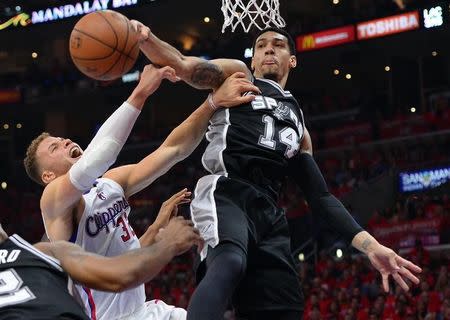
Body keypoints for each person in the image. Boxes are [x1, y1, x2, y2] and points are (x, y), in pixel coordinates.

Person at [130, 22, 423, 320]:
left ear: (292, 60)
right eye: (261, 45)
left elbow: (320, 197)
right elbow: (185, 66)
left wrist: (371, 246)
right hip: (226, 191)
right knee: (230, 262)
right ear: (254, 59)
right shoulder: (238, 75)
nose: (269, 48)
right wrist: (147, 37)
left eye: (278, 45)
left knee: (286, 305)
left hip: (269, 213)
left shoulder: (299, 124)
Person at [23, 63, 259, 320]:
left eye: (62, 138)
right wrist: (140, 93)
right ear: (47, 176)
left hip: (145, 310)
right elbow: (97, 158)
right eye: (55, 148)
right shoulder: (53, 202)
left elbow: (172, 150)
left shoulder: (110, 183)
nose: (65, 141)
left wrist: (212, 103)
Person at [0, 216, 202, 320]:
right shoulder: (43, 251)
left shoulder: (41, 252)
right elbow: (120, 276)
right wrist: (168, 243)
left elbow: (121, 273)